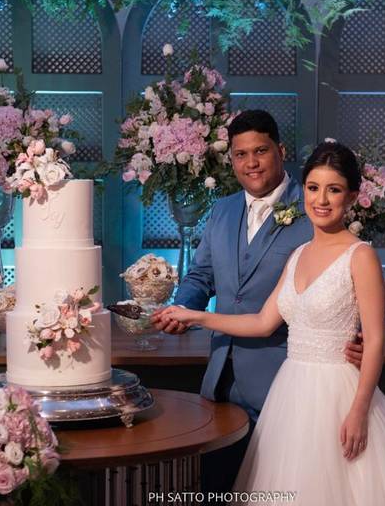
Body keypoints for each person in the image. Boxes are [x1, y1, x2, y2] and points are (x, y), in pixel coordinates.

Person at [158, 141, 385, 505]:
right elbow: (262, 322)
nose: (321, 200)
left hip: (338, 395)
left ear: (352, 196)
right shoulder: (298, 254)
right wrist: (195, 315)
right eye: (314, 188)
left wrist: (359, 412)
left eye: (334, 190)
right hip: (290, 393)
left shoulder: (360, 256)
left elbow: (376, 341)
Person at [151, 110, 360, 494]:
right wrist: (182, 310)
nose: (251, 163)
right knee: (216, 491)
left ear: (281, 151)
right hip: (220, 384)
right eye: (240, 154)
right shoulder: (222, 209)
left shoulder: (314, 207)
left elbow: (345, 282)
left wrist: (356, 337)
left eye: (260, 151)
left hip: (286, 385)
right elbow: (201, 275)